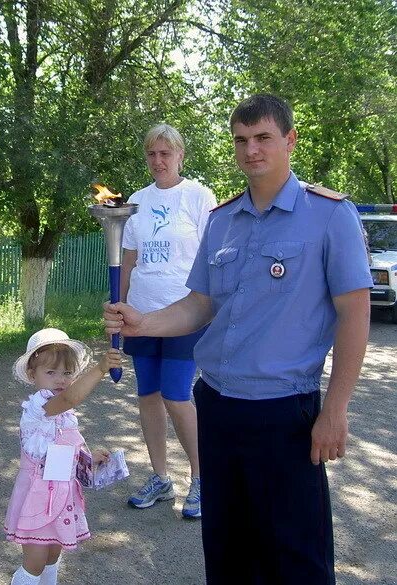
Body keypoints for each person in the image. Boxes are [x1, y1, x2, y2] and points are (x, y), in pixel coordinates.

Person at [104, 94, 373, 584]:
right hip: (219, 407)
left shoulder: (329, 215)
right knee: (228, 549)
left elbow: (355, 313)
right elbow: (200, 305)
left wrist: (335, 411)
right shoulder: (222, 220)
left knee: (296, 557)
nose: (252, 150)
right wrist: (143, 322)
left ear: (289, 140)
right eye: (241, 140)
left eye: (264, 137)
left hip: (285, 414)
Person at [120, 123, 216, 519]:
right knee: (147, 397)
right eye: (152, 154)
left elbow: (213, 253)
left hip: (184, 315)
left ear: (180, 155)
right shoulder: (136, 202)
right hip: (141, 315)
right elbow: (127, 259)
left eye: (166, 153)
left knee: (177, 394)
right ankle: (161, 478)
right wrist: (117, 305)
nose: (158, 161)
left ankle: (201, 479)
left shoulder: (198, 195)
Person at [4, 328, 121, 585]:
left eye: (67, 373)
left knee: (52, 557)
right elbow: (71, 397)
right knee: (33, 564)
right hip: (38, 496)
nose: (60, 379)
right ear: (32, 374)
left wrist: (90, 458)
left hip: (62, 493)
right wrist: (101, 368)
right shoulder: (40, 407)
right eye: (51, 372)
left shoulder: (65, 415)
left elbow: (67, 449)